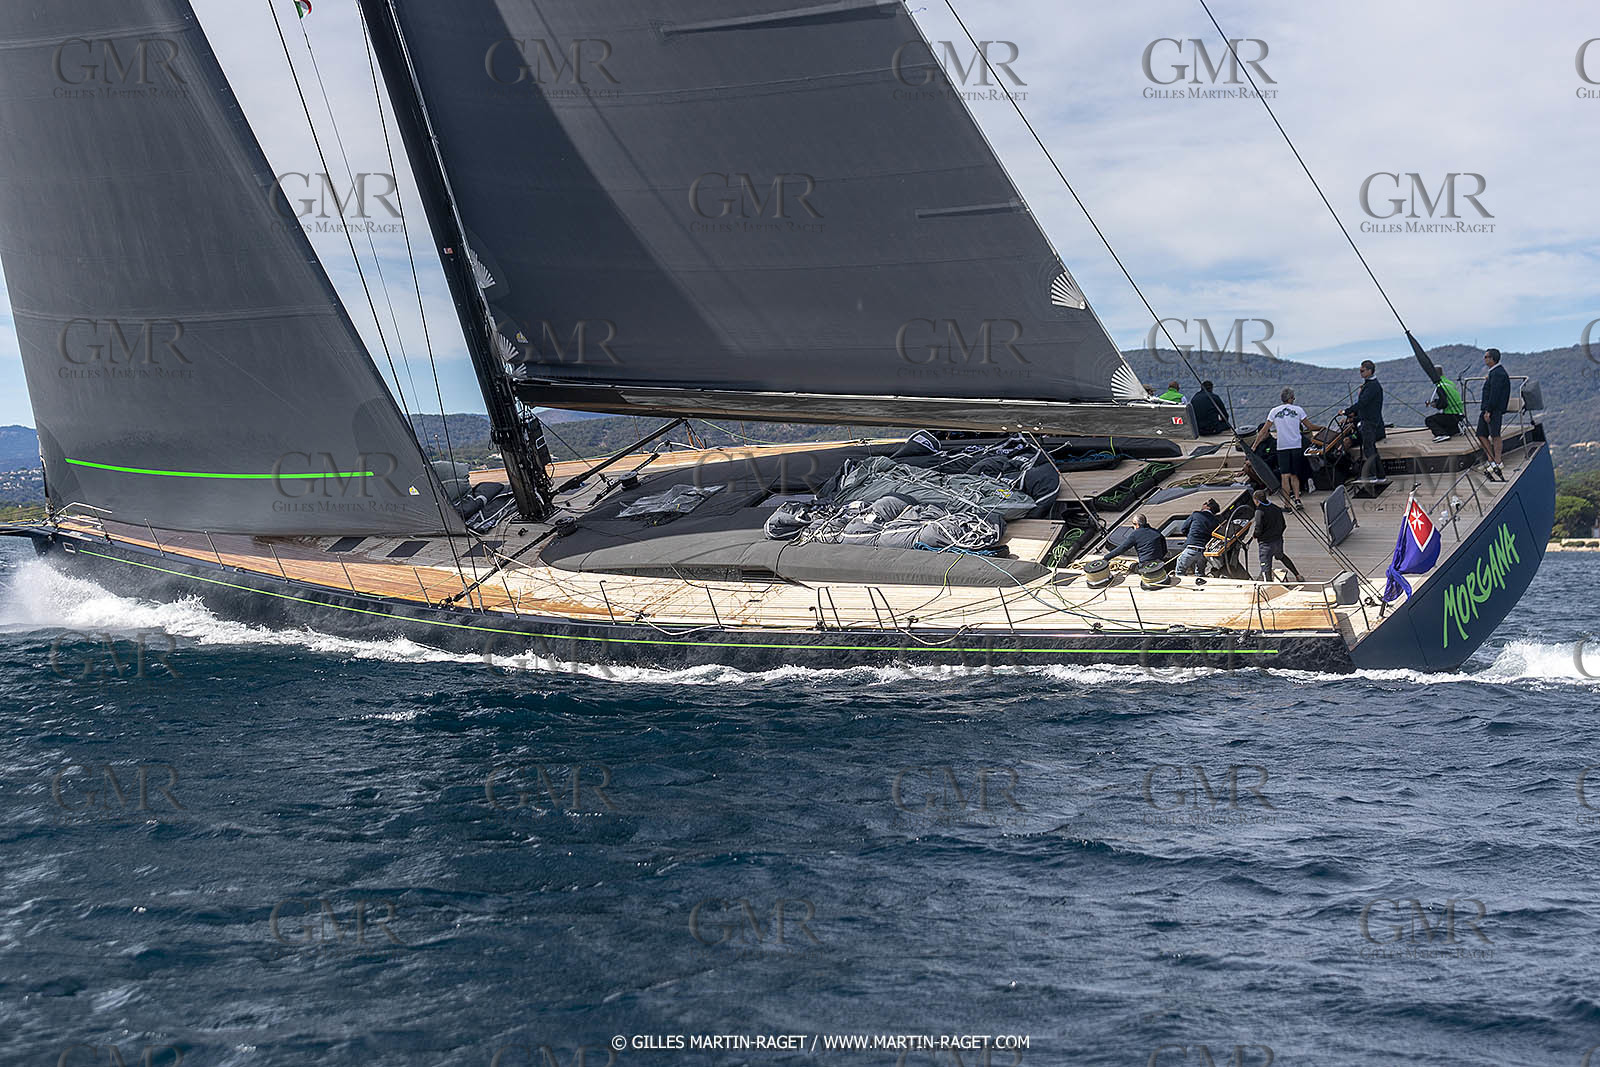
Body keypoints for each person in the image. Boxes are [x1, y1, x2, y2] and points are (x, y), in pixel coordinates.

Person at [1252, 387, 1322, 510]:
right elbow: (1309, 426)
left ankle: (1287, 503)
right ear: (1291, 398)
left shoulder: (1274, 411)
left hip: (1282, 447)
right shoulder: (1298, 410)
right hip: (1296, 445)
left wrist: (1254, 446)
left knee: (1285, 476)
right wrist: (1321, 428)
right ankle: (1297, 499)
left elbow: (1263, 431)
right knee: (1294, 475)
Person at [1342, 360, 1385, 482]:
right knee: (1372, 448)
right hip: (1370, 420)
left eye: (1362, 370)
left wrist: (1346, 411)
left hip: (1369, 421)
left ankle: (1371, 475)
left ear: (1369, 370)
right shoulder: (1370, 384)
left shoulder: (1372, 386)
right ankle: (1381, 475)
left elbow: (1362, 403)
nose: (1360, 373)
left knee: (1368, 449)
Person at [1250, 488, 1301, 581]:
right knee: (1281, 556)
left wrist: (1255, 535)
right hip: (1278, 541)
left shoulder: (1259, 511)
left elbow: (1258, 528)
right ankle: (1297, 575)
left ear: (1256, 500)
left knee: (1266, 567)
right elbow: (1283, 525)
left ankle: (1268, 585)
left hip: (1265, 544)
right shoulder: (1276, 508)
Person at [1477, 348, 1511, 477]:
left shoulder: (1498, 373)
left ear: (1492, 359)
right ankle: (1490, 459)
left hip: (1493, 409)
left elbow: (1495, 394)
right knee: (1481, 433)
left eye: (1486, 357)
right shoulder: (1494, 373)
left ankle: (1498, 460)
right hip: (1487, 408)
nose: (1484, 359)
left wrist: (1489, 411)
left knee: (1495, 434)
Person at [1174, 498, 1221, 578]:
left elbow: (1183, 528)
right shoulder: (1215, 521)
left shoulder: (1196, 514)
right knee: (1200, 575)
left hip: (1191, 549)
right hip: (1203, 552)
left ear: (1207, 507)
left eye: (1205, 503)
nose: (1203, 504)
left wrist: (1191, 537)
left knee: (1179, 573)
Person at [1426, 371, 1467, 441]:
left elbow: (1444, 403)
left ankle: (1441, 435)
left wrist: (1435, 405)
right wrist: (1436, 402)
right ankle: (1457, 427)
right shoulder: (1449, 383)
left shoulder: (1440, 385)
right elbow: (1447, 398)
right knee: (1444, 425)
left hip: (1451, 415)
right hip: (1459, 414)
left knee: (1429, 420)